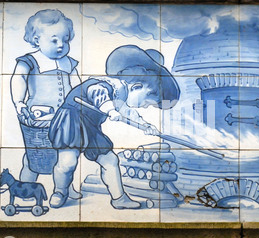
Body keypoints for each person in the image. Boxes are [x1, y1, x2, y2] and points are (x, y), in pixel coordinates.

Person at [48, 44, 180, 209]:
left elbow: (127, 112)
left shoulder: (121, 95)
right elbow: (96, 93)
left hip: (91, 126)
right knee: (67, 163)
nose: (144, 107)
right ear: (136, 87)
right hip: (71, 121)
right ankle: (60, 191)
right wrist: (109, 109)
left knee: (110, 160)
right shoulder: (107, 85)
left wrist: (145, 125)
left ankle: (119, 199)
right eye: (147, 102)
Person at [10, 9, 82, 199]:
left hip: (65, 119)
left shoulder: (69, 63)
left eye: (65, 40)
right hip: (39, 119)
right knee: (34, 156)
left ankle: (66, 186)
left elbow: (77, 87)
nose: (61, 45)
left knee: (66, 156)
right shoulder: (30, 61)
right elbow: (19, 79)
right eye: (54, 40)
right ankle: (26, 185)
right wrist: (19, 102)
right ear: (36, 40)